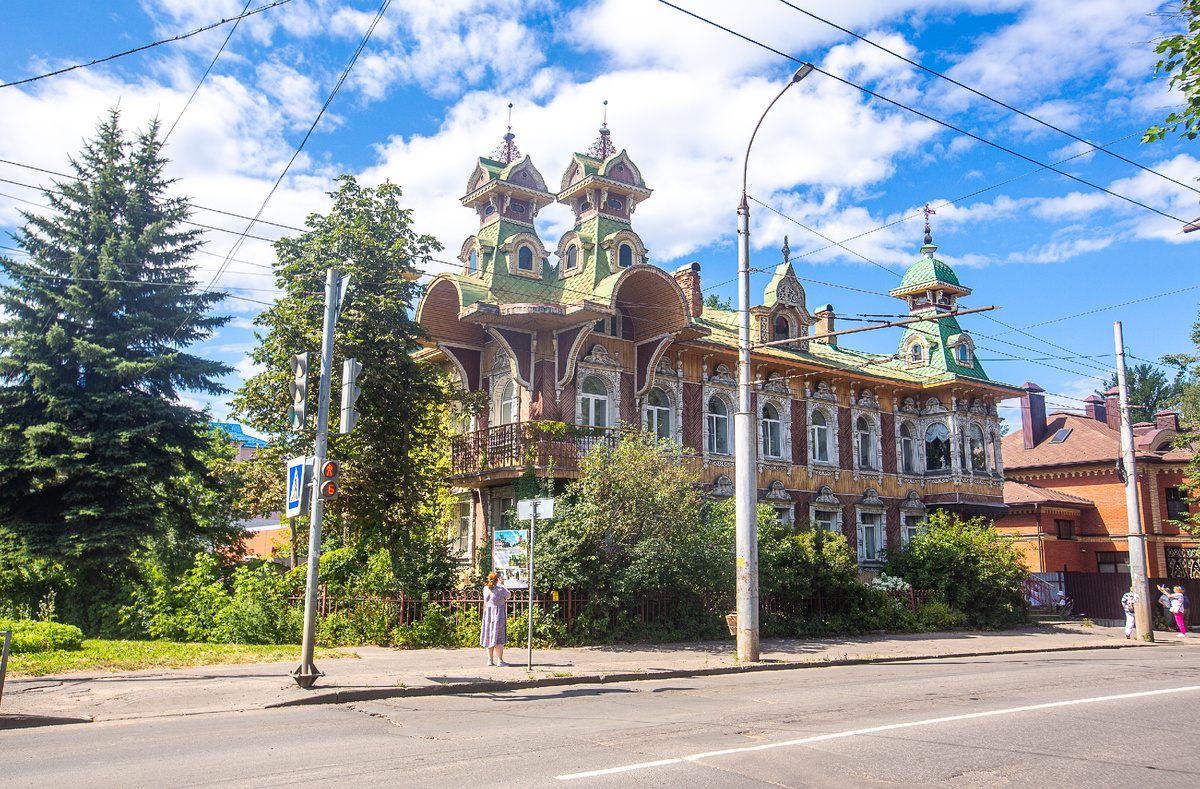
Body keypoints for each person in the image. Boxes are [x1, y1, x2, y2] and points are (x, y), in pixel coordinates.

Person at [481, 571, 512, 666]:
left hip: (488, 616)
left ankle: (490, 660)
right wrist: (502, 585)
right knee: (499, 637)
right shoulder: (500, 590)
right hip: (499, 616)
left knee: (489, 636)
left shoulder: (486, 589)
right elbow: (509, 595)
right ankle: (500, 660)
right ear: (497, 580)